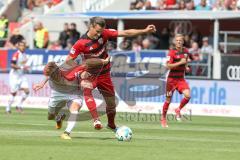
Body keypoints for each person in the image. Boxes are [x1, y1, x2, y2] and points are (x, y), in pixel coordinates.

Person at [64, 16, 156, 131]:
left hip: (105, 74)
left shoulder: (105, 34)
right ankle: (96, 120)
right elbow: (68, 60)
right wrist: (80, 70)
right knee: (86, 89)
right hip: (90, 74)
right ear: (90, 27)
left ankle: (111, 124)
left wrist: (144, 31)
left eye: (101, 31)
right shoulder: (80, 43)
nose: (99, 34)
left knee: (111, 103)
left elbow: (126, 32)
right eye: (97, 31)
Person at [161, 34, 191, 128]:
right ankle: (163, 118)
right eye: (177, 40)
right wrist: (180, 63)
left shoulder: (186, 51)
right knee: (168, 100)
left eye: (180, 40)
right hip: (171, 81)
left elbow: (185, 61)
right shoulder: (171, 53)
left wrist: (186, 67)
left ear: (183, 42)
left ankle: (178, 109)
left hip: (181, 79)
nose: (178, 42)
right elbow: (168, 66)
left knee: (188, 95)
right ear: (175, 42)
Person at [6, 40, 29, 114]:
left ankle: (19, 105)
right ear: (18, 47)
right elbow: (12, 65)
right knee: (13, 93)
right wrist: (21, 68)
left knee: (27, 91)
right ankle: (8, 108)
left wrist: (26, 68)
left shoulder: (25, 55)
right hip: (14, 76)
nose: (23, 47)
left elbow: (23, 65)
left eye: (24, 46)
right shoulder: (16, 54)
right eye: (21, 45)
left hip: (21, 75)